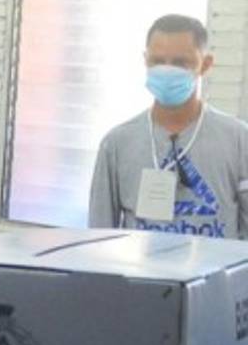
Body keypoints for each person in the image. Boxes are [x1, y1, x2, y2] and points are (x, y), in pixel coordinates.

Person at [89, 14, 248, 239]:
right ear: (145, 60)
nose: (167, 70)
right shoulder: (116, 144)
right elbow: (98, 235)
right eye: (158, 61)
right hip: (140, 273)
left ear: (205, 64)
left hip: (212, 272)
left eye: (180, 63)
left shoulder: (239, 140)